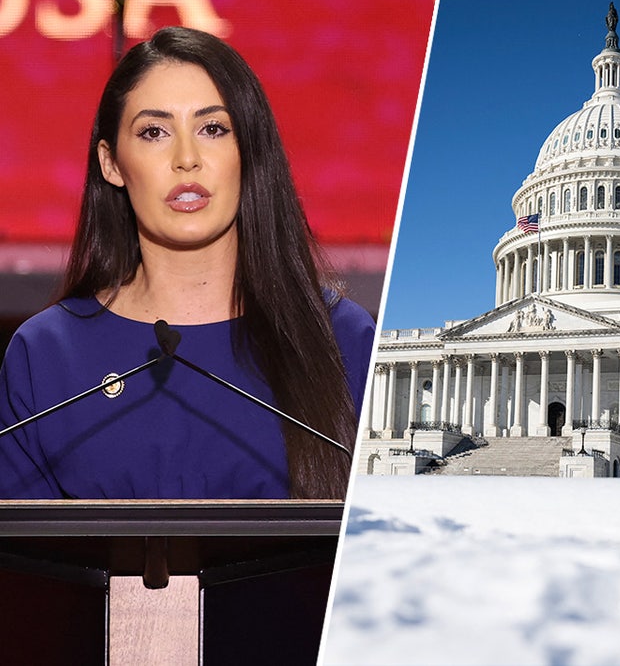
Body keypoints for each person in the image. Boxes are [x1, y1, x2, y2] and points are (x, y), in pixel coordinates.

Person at [0, 27, 374, 500]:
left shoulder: (344, 340)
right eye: (154, 132)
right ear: (111, 163)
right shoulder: (46, 354)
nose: (186, 159)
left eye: (212, 129)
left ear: (250, 150)